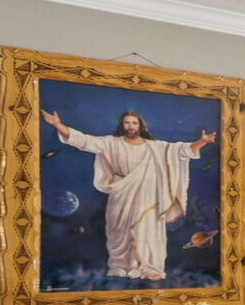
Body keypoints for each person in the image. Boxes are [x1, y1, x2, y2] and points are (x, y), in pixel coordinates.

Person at [41, 108, 216, 281]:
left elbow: (181, 151)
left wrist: (202, 141)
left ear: (140, 125)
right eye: (127, 123)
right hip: (121, 192)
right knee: (118, 230)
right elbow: (84, 140)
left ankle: (150, 268)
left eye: (134, 123)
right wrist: (58, 125)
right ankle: (120, 266)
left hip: (148, 196)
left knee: (149, 231)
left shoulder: (155, 147)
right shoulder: (111, 143)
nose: (130, 126)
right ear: (121, 125)